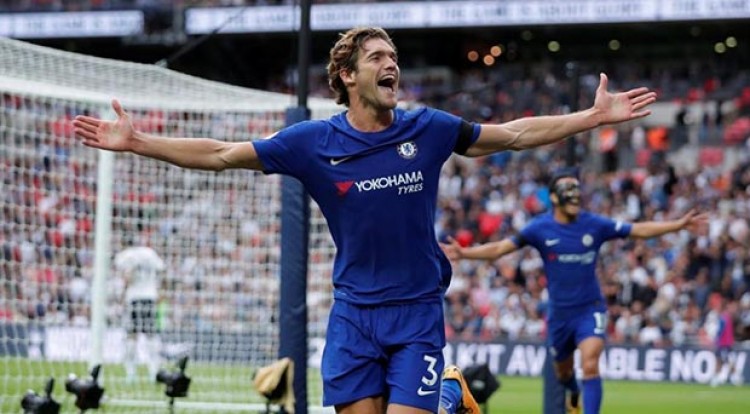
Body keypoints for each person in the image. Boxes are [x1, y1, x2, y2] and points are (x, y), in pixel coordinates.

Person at [73, 27, 657, 414]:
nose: (390, 64)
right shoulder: (312, 143)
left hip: (416, 313)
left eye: (393, 58)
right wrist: (139, 142)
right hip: (353, 316)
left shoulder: (428, 128)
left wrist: (590, 118)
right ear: (348, 76)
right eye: (377, 57)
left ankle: (445, 395)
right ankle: (447, 397)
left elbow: (513, 134)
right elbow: (223, 153)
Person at [440, 168, 707, 414]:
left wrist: (677, 224)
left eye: (577, 190)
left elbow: (637, 230)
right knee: (564, 372)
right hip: (559, 315)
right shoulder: (539, 228)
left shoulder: (594, 224)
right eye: (568, 190)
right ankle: (574, 392)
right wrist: (465, 253)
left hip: (590, 309)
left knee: (590, 362)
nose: (575, 196)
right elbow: (501, 248)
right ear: (554, 197)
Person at [114, 244, 166, 383]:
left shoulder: (127, 255)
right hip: (150, 298)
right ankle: (154, 371)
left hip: (135, 298)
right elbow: (162, 271)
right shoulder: (151, 254)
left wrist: (122, 294)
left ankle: (131, 373)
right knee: (151, 335)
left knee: (131, 336)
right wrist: (159, 291)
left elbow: (127, 278)